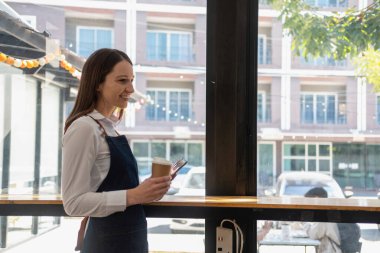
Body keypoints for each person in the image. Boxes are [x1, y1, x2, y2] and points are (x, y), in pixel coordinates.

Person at [61, 48, 172, 253]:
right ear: (97, 84)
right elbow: (73, 203)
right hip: (107, 244)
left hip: (131, 240)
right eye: (122, 81)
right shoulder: (84, 127)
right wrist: (134, 196)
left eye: (131, 80)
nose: (130, 89)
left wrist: (148, 191)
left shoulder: (109, 127)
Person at [303, 187, 342, 253]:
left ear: (317, 198)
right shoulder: (332, 211)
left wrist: (306, 224)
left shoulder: (324, 215)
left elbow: (314, 234)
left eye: (310, 201)